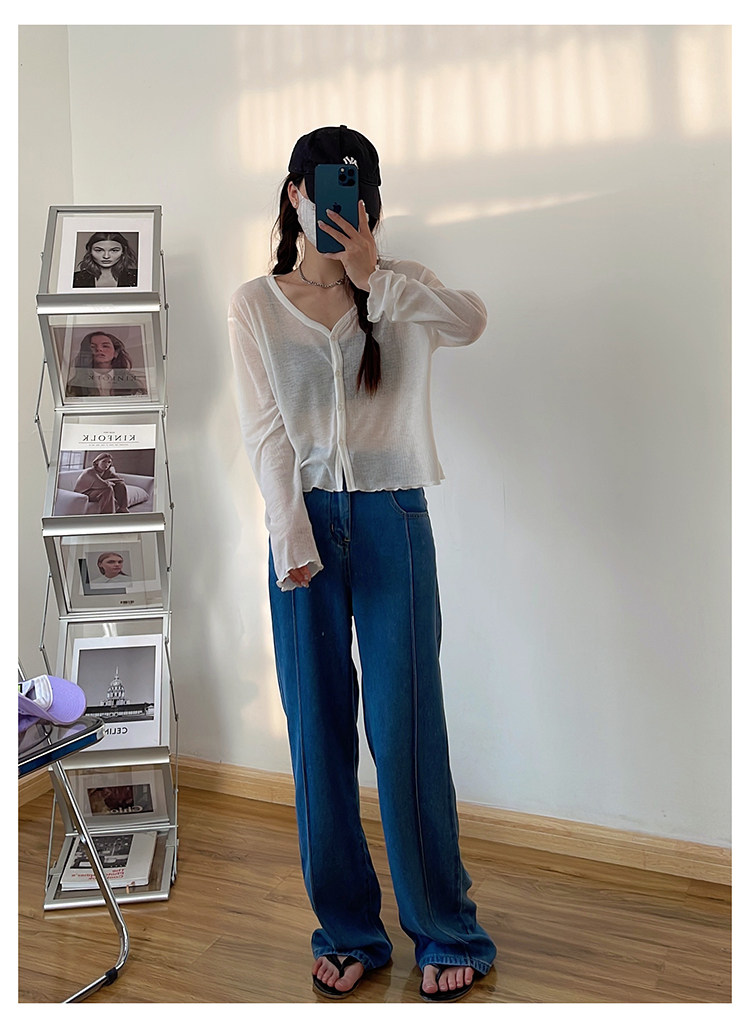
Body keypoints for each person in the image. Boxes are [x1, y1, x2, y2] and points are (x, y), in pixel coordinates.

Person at [228, 125, 496, 1002]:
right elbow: (266, 435)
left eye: (357, 190)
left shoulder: (403, 287)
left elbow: (471, 322)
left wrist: (377, 275)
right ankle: (347, 930)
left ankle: (446, 928)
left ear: (370, 203)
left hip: (393, 519)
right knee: (317, 733)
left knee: (407, 729)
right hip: (302, 524)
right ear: (295, 194)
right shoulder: (254, 306)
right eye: (323, 188)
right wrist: (290, 539)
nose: (340, 204)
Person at [66, 331, 147, 397]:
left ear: (115, 353)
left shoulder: (134, 383)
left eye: (105, 346)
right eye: (92, 347)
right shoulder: (74, 385)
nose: (99, 349)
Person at [72, 231, 138, 288]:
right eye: (99, 250)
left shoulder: (137, 277)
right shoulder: (75, 278)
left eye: (114, 250)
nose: (106, 256)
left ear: (123, 251)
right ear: (90, 251)